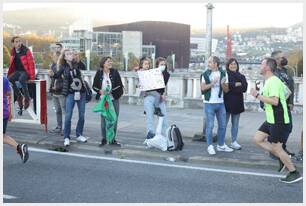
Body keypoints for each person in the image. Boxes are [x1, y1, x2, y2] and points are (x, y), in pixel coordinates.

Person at [251, 57, 302, 183]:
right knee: (257, 139)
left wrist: (257, 95)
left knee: (278, 148)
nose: (260, 66)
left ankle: (293, 172)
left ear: (267, 67)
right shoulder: (271, 81)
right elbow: (286, 94)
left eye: (262, 64)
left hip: (279, 120)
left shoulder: (273, 81)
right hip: (271, 120)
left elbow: (275, 101)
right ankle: (281, 156)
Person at [52, 49, 88, 147]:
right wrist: (52, 74)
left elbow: (84, 67)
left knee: (82, 114)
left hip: (81, 92)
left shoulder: (77, 64)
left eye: (71, 53)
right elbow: (56, 75)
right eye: (68, 54)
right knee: (68, 115)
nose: (70, 55)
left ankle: (79, 134)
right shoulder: (63, 66)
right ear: (64, 57)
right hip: (70, 93)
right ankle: (66, 137)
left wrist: (79, 59)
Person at [201, 56, 233, 155]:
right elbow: (203, 88)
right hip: (209, 103)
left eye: (210, 62)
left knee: (223, 126)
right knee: (210, 126)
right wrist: (212, 83)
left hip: (220, 103)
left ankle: (221, 145)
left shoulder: (224, 73)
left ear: (216, 64)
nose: (208, 64)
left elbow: (226, 90)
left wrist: (222, 83)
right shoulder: (205, 74)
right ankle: (210, 146)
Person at [92, 56, 124, 146]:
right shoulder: (99, 73)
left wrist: (112, 91)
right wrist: (99, 91)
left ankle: (112, 139)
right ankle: (104, 139)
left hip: (114, 99)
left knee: (114, 119)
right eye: (108, 61)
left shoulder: (115, 72)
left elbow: (120, 85)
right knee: (104, 119)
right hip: (104, 100)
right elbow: (94, 86)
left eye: (111, 61)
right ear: (103, 63)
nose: (110, 63)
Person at [270, 50, 295, 157]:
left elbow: (291, 87)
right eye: (281, 57)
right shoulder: (271, 72)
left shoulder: (287, 71)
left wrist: (291, 102)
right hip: (276, 105)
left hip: (286, 105)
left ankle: (281, 148)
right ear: (276, 60)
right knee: (276, 128)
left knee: (288, 127)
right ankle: (274, 151)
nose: (284, 59)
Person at [140, 56, 170, 139]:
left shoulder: (166, 74)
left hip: (159, 98)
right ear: (157, 65)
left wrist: (164, 94)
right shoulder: (150, 72)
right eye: (161, 64)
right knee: (150, 119)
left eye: (164, 64)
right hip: (149, 97)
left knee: (164, 118)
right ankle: (150, 136)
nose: (163, 66)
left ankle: (166, 137)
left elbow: (163, 87)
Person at [3, 76, 29, 163]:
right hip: (4, 111)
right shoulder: (4, 79)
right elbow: (9, 95)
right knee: (2, 136)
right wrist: (10, 111)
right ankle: (20, 148)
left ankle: (19, 147)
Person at [223, 58, 248, 150]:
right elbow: (225, 87)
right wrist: (236, 84)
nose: (233, 65)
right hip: (226, 102)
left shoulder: (241, 76)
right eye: (231, 64)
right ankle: (221, 142)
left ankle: (234, 142)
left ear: (237, 65)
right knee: (223, 124)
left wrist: (232, 86)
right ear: (228, 66)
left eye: (235, 64)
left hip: (237, 103)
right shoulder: (225, 75)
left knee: (235, 124)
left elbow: (244, 88)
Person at [7, 36, 36, 110]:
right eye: (16, 42)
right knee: (9, 79)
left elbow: (31, 63)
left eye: (19, 41)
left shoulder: (26, 50)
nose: (19, 43)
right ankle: (19, 96)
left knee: (21, 79)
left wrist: (32, 77)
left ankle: (27, 98)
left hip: (25, 71)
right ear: (13, 43)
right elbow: (11, 64)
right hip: (17, 71)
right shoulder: (12, 51)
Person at [48, 43, 65, 135]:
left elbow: (65, 80)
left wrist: (57, 86)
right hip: (54, 92)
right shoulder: (53, 66)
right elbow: (53, 79)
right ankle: (59, 127)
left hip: (61, 92)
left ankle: (65, 128)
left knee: (65, 111)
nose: (54, 58)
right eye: (54, 56)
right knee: (58, 110)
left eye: (56, 56)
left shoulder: (62, 66)